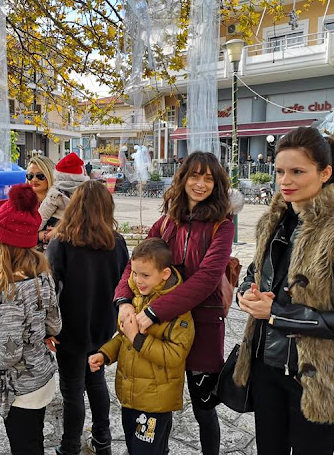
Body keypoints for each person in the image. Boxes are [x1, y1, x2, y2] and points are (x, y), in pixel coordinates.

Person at [233, 127, 334, 455]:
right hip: (267, 367)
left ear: (324, 173)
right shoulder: (273, 222)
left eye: (297, 171)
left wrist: (277, 314)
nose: (286, 181)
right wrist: (246, 293)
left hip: (317, 377)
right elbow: (256, 273)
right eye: (280, 171)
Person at [114, 151, 242, 455]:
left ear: (217, 184)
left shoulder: (222, 226)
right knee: (156, 398)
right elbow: (135, 263)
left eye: (208, 179)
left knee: (204, 407)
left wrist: (155, 311)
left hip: (203, 327)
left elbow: (207, 278)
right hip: (161, 328)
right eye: (194, 176)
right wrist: (123, 300)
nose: (200, 184)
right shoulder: (167, 223)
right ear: (183, 179)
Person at [46, 180, 129, 455]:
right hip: (103, 326)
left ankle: (70, 446)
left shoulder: (61, 242)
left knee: (72, 390)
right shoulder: (116, 242)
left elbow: (50, 288)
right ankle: (102, 439)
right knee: (96, 381)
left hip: (69, 329)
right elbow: (124, 282)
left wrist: (47, 328)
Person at [90, 238, 194, 455]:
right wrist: (105, 354)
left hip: (154, 403)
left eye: (145, 275)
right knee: (139, 448)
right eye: (135, 273)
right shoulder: (138, 298)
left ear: (165, 274)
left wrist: (137, 338)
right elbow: (124, 337)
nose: (138, 280)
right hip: (132, 397)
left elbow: (174, 355)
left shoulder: (177, 310)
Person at [0, 183, 62, 455]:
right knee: (34, 441)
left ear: (4, 244)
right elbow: (55, 325)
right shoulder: (43, 276)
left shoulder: (10, 292)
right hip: (42, 376)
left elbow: (8, 354)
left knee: (25, 447)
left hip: (21, 389)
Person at [38, 152, 89, 235]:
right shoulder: (87, 192)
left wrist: (33, 234)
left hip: (56, 230)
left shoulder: (56, 193)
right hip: (79, 233)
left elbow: (41, 218)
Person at [26, 155, 57, 245]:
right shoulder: (22, 204)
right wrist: (42, 235)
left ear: (50, 176)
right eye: (30, 176)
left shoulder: (62, 202)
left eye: (40, 176)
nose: (34, 179)